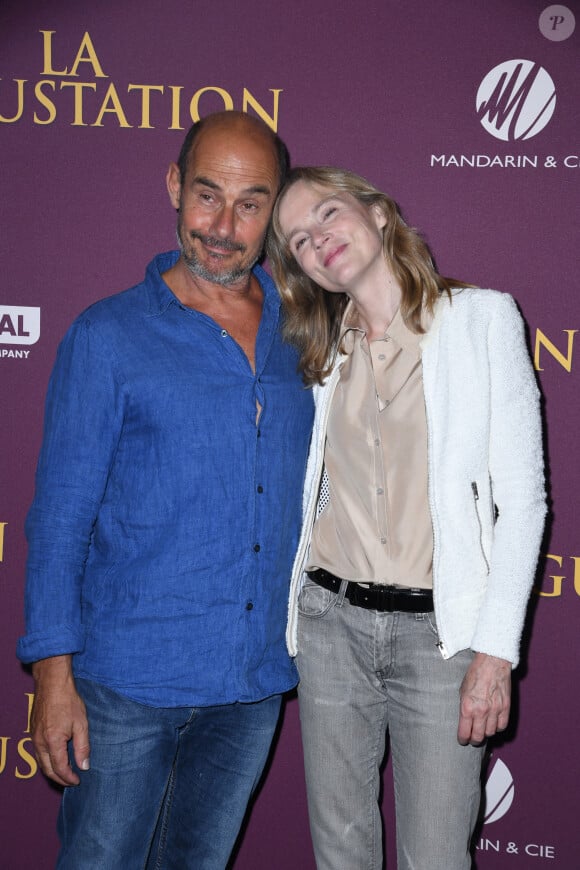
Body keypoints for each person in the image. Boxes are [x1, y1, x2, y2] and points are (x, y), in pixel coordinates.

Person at [16, 112, 314, 869]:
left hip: (250, 686)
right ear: (175, 187)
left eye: (251, 202)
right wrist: (54, 676)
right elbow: (59, 519)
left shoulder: (306, 339)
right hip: (124, 685)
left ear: (274, 212)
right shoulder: (107, 335)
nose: (223, 224)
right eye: (207, 194)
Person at [267, 165, 546, 870]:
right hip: (331, 629)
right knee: (341, 855)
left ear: (378, 212)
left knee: (436, 859)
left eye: (328, 214)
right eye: (299, 240)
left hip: (440, 643)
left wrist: (496, 653)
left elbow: (524, 499)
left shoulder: (482, 320)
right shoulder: (322, 349)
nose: (319, 239)